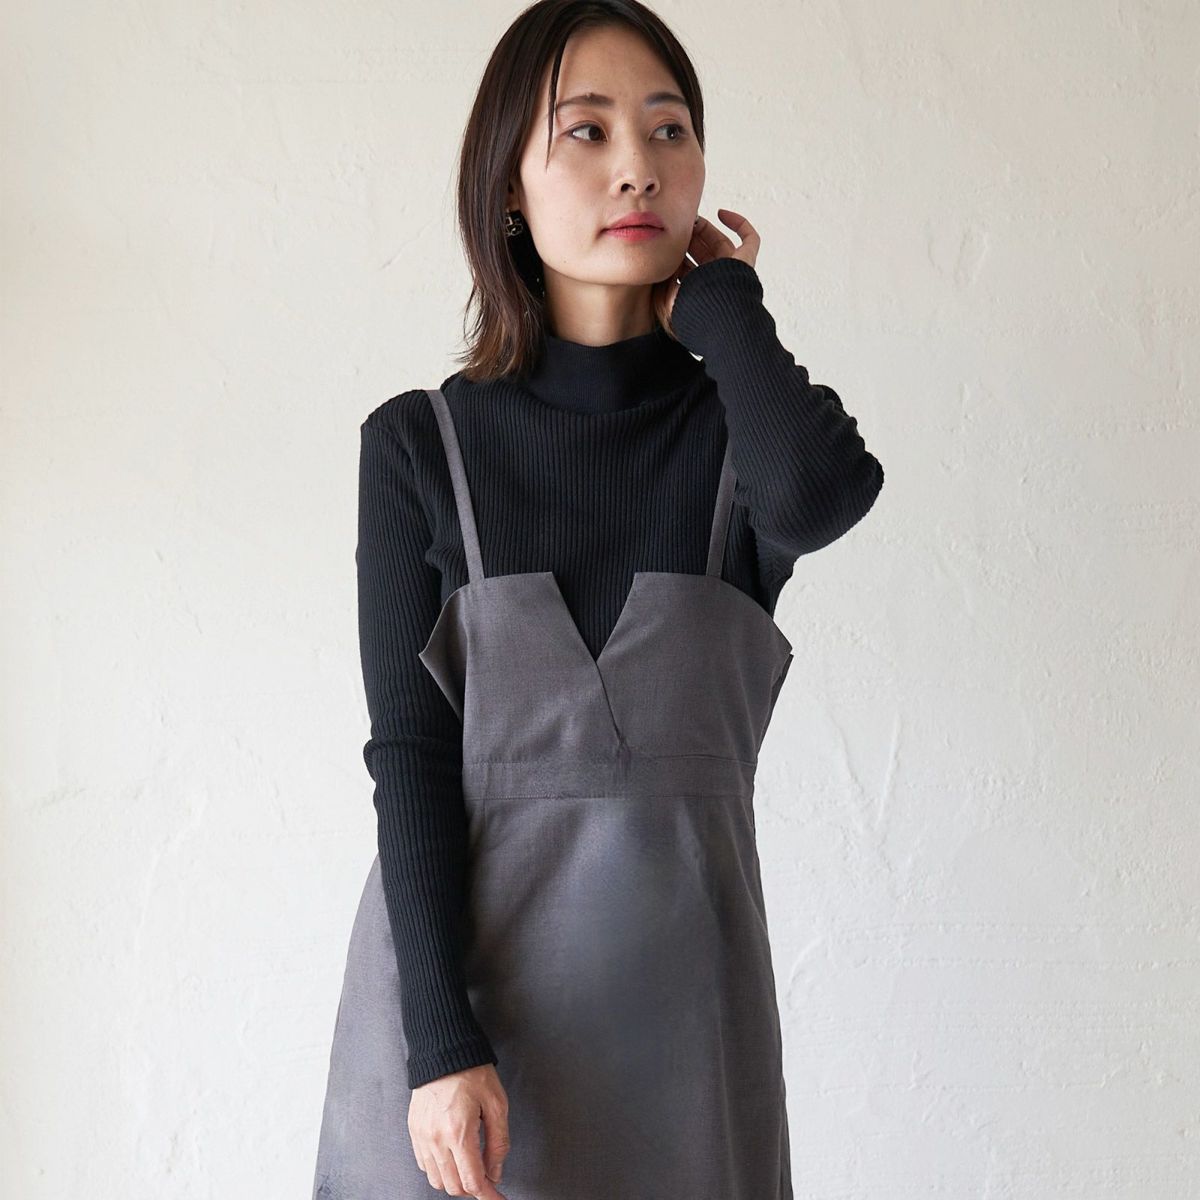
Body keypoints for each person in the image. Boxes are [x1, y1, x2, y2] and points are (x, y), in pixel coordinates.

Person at [312, 3, 884, 1197]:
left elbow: (822, 494)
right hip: (460, 1040)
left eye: (670, 129)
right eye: (587, 131)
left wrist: (726, 307)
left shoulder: (737, 441)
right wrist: (440, 1047)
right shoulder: (420, 447)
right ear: (507, 187)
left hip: (686, 1040)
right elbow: (409, 757)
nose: (639, 166)